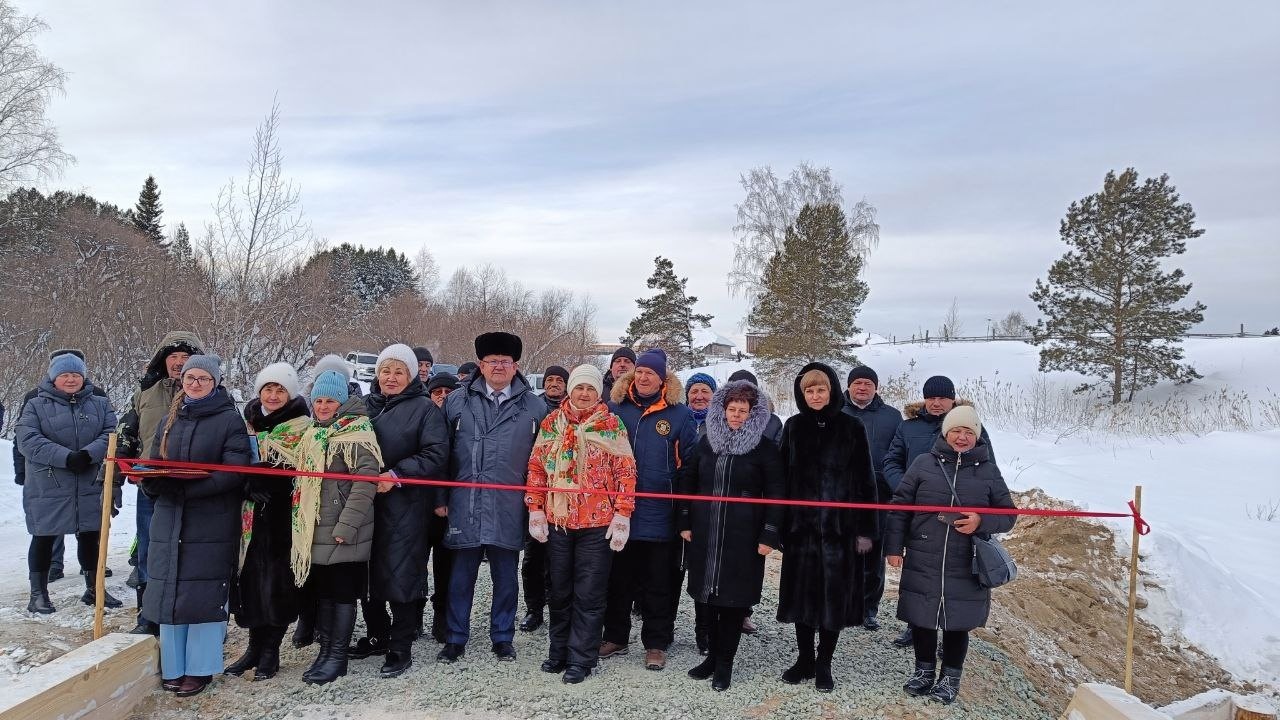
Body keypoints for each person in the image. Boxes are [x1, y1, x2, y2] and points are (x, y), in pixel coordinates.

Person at [885, 405, 1015, 705]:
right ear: (946, 432)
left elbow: (1009, 515)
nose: (961, 437)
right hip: (923, 554)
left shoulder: (988, 471)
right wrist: (893, 547)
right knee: (922, 619)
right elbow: (900, 506)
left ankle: (950, 677)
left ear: (977, 436)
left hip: (966, 560)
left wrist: (981, 521)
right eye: (956, 430)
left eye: (969, 432)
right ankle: (924, 672)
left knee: (958, 622)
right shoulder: (922, 464)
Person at [437, 332, 548, 664]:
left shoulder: (534, 406)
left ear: (515, 367)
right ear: (480, 366)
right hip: (465, 503)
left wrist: (536, 505)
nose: (499, 367)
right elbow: (441, 454)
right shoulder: (457, 401)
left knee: (506, 576)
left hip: (509, 505)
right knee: (460, 578)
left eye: (505, 361)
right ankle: (455, 637)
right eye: (492, 361)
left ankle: (502, 637)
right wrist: (440, 497)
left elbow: (543, 461)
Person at [143, 355, 250, 698]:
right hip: (170, 515)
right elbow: (154, 462)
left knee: (202, 592)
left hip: (210, 517)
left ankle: (200, 668)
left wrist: (188, 489)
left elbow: (234, 471)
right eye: (191, 378)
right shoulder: (169, 418)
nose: (196, 384)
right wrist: (151, 483)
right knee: (170, 588)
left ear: (215, 382)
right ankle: (174, 666)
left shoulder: (229, 420)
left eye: (204, 379)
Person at [267, 370, 381, 685]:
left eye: (330, 400)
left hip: (344, 530)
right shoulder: (315, 432)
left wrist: (346, 526)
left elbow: (365, 482)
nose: (323, 406)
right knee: (325, 595)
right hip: (315, 529)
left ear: (343, 401)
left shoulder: (357, 432)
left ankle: (337, 657)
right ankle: (326, 651)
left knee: (343, 595)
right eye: (318, 400)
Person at [526, 364, 637, 683]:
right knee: (559, 591)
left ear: (598, 392)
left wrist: (622, 514)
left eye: (590, 388)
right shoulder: (551, 422)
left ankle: (582, 658)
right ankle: (558, 651)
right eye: (579, 388)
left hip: (596, 523)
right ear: (571, 390)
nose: (585, 393)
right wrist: (535, 507)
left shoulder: (611, 424)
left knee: (588, 594)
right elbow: (536, 467)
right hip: (558, 521)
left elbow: (626, 472)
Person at [776, 362, 878, 693]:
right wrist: (778, 525)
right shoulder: (792, 428)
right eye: (809, 390)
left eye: (821, 389)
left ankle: (824, 663)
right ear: (801, 393)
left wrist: (865, 531)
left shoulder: (852, 427)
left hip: (840, 531)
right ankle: (804, 659)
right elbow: (781, 481)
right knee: (802, 598)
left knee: (832, 599)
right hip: (801, 531)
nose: (816, 395)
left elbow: (866, 480)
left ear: (832, 390)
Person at [349, 344, 449, 678]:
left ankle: (400, 646)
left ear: (410, 376)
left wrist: (397, 475)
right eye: (386, 371)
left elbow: (436, 454)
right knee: (366, 569)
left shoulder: (424, 410)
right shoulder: (364, 406)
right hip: (366, 503)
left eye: (399, 372)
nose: (391, 378)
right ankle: (378, 633)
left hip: (405, 504)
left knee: (403, 573)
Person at [678, 380, 784, 691]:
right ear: (722, 411)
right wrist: (684, 519)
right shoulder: (707, 441)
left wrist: (770, 534)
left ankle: (725, 663)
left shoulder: (764, 448)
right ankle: (710, 657)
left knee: (733, 602)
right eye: (731, 410)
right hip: (706, 532)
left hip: (744, 536)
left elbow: (777, 492)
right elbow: (688, 479)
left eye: (743, 411)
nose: (736, 415)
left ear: (753, 414)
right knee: (707, 599)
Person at [600, 348, 697, 672]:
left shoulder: (679, 415)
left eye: (651, 374)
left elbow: (688, 468)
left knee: (659, 583)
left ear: (662, 379)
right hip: (620, 512)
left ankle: (656, 643)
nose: (643, 377)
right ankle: (616, 636)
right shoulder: (615, 409)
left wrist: (683, 511)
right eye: (640, 372)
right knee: (619, 580)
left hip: (660, 512)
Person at [882, 375, 994, 648]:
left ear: (952, 399)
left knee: (954, 575)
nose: (936, 403)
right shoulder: (908, 428)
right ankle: (917, 625)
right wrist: (907, 490)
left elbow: (986, 468)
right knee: (921, 572)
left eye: (942, 398)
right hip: (920, 513)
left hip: (958, 516)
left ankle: (951, 631)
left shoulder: (969, 428)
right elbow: (891, 461)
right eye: (931, 397)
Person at [224, 363, 309, 680]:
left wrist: (269, 481)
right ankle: (253, 648)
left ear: (290, 394)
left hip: (283, 515)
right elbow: (233, 460)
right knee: (250, 581)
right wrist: (247, 482)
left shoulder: (302, 427)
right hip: (249, 516)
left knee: (278, 583)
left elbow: (305, 472)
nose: (273, 395)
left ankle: (271, 650)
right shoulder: (246, 424)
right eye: (268, 389)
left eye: (280, 390)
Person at [17, 353, 120, 614]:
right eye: (65, 374)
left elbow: (111, 432)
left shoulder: (99, 403)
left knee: (90, 535)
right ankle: (38, 594)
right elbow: (27, 439)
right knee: (43, 536)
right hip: (49, 483)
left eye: (76, 374)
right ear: (54, 378)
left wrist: (88, 454)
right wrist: (65, 457)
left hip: (89, 479)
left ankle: (94, 588)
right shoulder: (35, 404)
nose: (71, 379)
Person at [117, 331, 204, 636]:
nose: (179, 364)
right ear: (163, 361)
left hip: (191, 487)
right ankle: (147, 614)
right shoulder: (145, 394)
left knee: (187, 550)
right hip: (150, 486)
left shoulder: (206, 393)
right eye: (173, 357)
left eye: (186, 358)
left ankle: (184, 612)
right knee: (149, 548)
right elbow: (126, 432)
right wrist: (117, 465)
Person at [839, 366, 903, 631]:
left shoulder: (892, 417)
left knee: (872, 554)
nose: (862, 388)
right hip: (842, 495)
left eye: (867, 383)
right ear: (849, 386)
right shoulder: (835, 412)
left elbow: (898, 455)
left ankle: (868, 609)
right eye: (858, 383)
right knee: (841, 552)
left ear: (876, 388)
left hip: (879, 496)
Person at [519, 364, 569, 633]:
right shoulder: (534, 407)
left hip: (564, 496)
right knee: (533, 557)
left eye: (559, 380)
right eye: (549, 379)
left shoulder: (575, 410)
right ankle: (533, 608)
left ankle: (558, 607)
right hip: (537, 490)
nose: (553, 384)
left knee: (558, 559)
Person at [680, 371, 717, 652]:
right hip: (680, 502)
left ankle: (706, 631)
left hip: (710, 507)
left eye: (705, 391)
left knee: (707, 571)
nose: (700, 396)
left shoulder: (721, 424)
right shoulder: (680, 419)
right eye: (694, 391)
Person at [727, 369, 783, 447]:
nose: (740, 395)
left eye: (747, 391)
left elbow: (779, 453)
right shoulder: (716, 421)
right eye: (735, 390)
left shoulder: (772, 423)